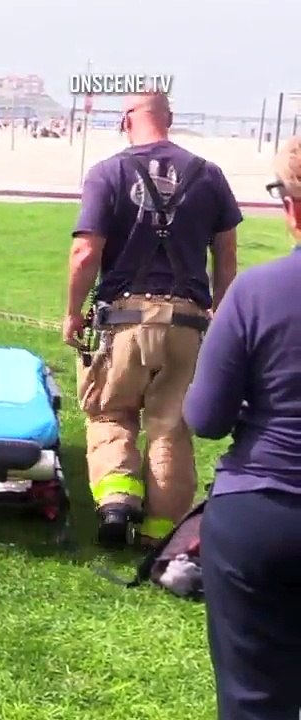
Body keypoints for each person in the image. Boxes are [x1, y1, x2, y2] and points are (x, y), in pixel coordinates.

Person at [63, 92, 240, 548]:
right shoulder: (208, 175)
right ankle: (160, 530)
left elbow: (86, 251)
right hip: (188, 323)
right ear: (170, 119)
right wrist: (221, 313)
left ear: (127, 120)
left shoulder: (109, 172)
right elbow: (226, 255)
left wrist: (71, 314)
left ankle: (118, 501)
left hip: (123, 320)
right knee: (170, 424)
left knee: (110, 411)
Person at [184, 137, 301, 720]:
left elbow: (206, 418)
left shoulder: (256, 292)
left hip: (263, 509)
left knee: (256, 701)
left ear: (294, 207)